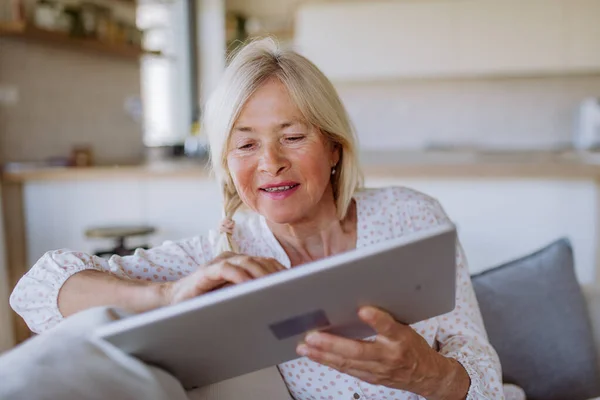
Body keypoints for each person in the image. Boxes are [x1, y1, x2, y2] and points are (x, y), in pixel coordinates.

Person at [8, 38, 504, 400]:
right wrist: (166, 294)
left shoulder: (412, 216)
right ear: (227, 162)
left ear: (334, 147)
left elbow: (483, 373)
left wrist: (428, 374)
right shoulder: (223, 256)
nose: (269, 162)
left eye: (292, 136)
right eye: (245, 144)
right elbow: (37, 290)